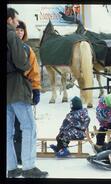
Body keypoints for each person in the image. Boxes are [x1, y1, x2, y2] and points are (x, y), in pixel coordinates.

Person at [7, 8, 48, 178]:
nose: (17, 23)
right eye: (16, 20)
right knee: (29, 126)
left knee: (8, 131)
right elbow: (23, 63)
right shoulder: (11, 36)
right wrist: (25, 67)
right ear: (9, 19)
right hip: (17, 87)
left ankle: (11, 167)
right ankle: (28, 167)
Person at [13, 20, 42, 166]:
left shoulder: (27, 49)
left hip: (23, 91)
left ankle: (20, 158)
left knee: (22, 126)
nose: (19, 32)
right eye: (17, 29)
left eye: (22, 30)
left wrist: (36, 89)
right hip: (13, 92)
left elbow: (34, 71)